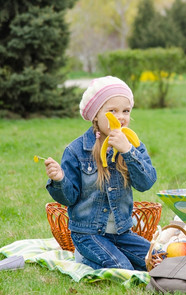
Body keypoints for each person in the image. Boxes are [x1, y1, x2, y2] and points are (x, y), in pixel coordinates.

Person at [45, 76, 157, 270]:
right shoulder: (76, 151)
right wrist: (59, 180)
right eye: (112, 111)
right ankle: (86, 257)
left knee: (158, 259)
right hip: (88, 233)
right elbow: (69, 198)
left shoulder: (132, 146)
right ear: (96, 114)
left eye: (126, 111)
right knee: (122, 268)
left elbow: (146, 182)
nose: (120, 117)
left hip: (122, 233)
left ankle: (107, 255)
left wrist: (128, 152)